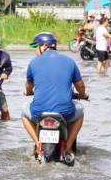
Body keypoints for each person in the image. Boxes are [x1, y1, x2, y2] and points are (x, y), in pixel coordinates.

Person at [21, 32, 87, 165]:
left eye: (36, 46)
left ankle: (38, 145)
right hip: (65, 112)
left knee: (24, 112)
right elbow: (80, 85)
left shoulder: (33, 62)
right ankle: (68, 147)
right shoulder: (69, 61)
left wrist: (28, 92)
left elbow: (28, 86)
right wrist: (83, 95)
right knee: (80, 113)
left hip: (39, 112)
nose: (35, 50)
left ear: (44, 46)